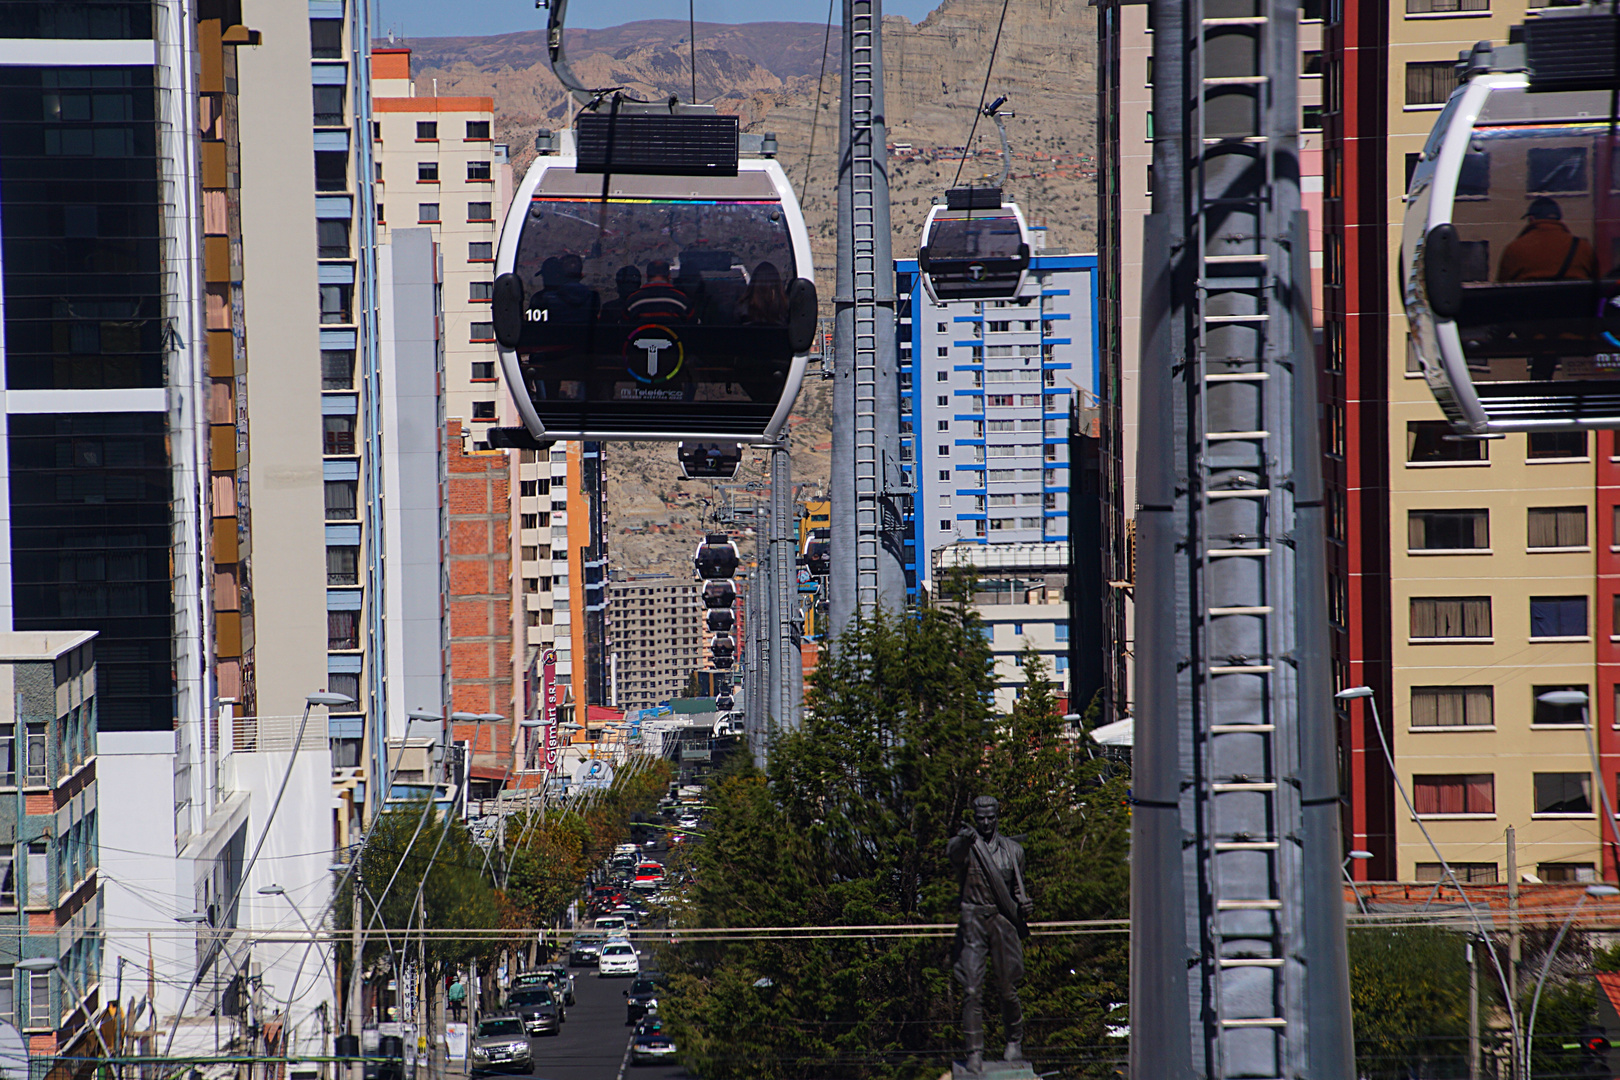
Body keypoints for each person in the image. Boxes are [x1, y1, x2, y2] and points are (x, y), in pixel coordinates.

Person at [947, 795, 1033, 1074]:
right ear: (974, 817)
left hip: (1001, 921)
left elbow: (1018, 892)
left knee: (1008, 989)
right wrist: (965, 839)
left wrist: (1025, 905)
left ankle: (1014, 1040)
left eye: (990, 817)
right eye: (980, 818)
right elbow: (953, 854)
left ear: (997, 816)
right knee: (972, 989)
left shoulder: (1013, 851)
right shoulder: (966, 846)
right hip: (972, 920)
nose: (985, 823)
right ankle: (974, 1051)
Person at [1498, 196, 1598, 283]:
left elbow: (1502, 288)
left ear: (1532, 219)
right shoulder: (1582, 247)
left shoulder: (1514, 249)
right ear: (1559, 219)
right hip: (1575, 304)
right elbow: (1596, 282)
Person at [626, 259, 692, 323]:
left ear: (646, 276)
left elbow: (624, 328)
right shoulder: (681, 300)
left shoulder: (633, 301)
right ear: (669, 276)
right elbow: (694, 326)